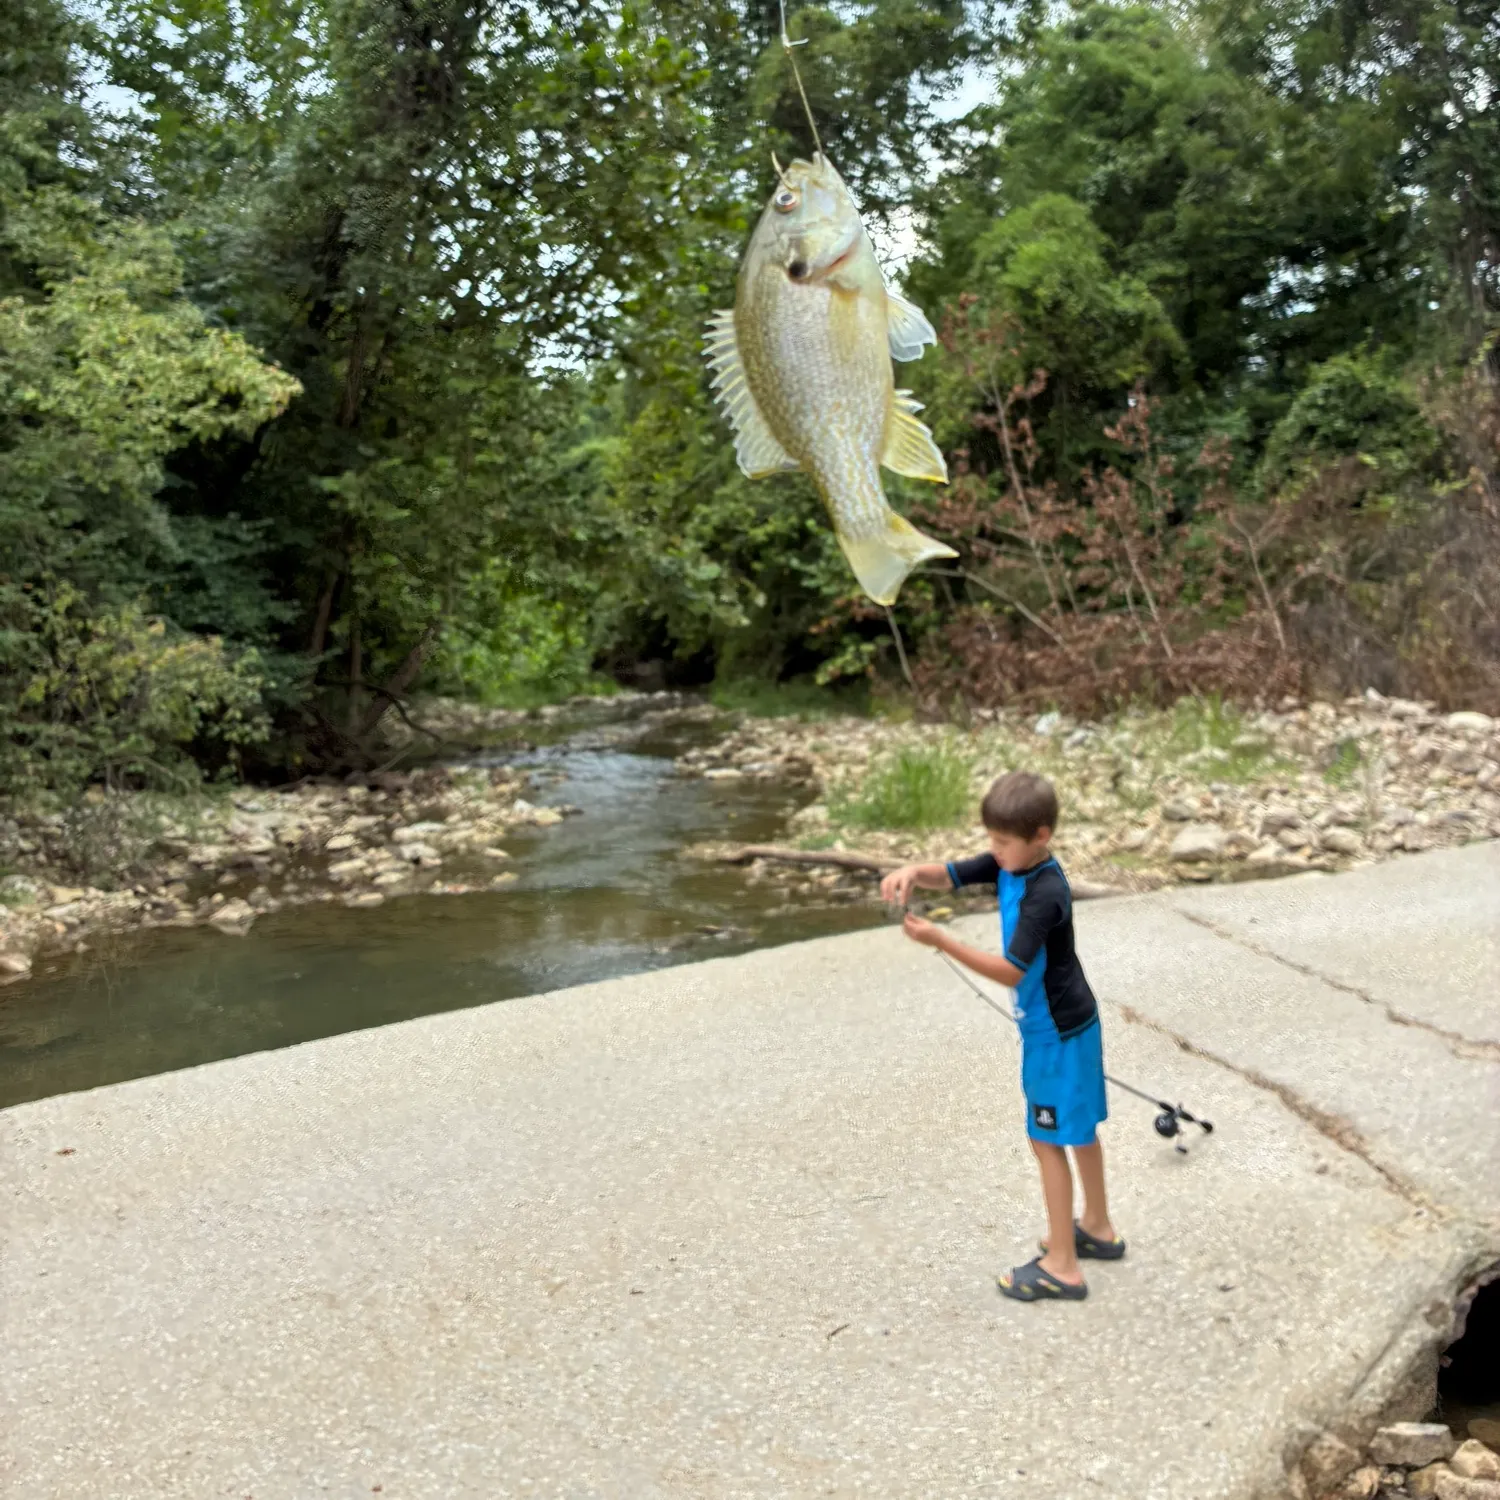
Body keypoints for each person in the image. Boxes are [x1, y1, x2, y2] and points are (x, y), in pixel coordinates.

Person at [879, 769, 1123, 1302]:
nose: (993, 852)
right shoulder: (1011, 861)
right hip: (1070, 1022)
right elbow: (950, 873)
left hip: (1054, 1033)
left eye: (1002, 843)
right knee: (1076, 1128)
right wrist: (910, 873)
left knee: (1047, 1136)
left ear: (1041, 837)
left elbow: (1012, 970)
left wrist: (941, 941)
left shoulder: (1046, 892)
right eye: (990, 840)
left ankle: (1062, 1265)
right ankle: (1097, 1228)